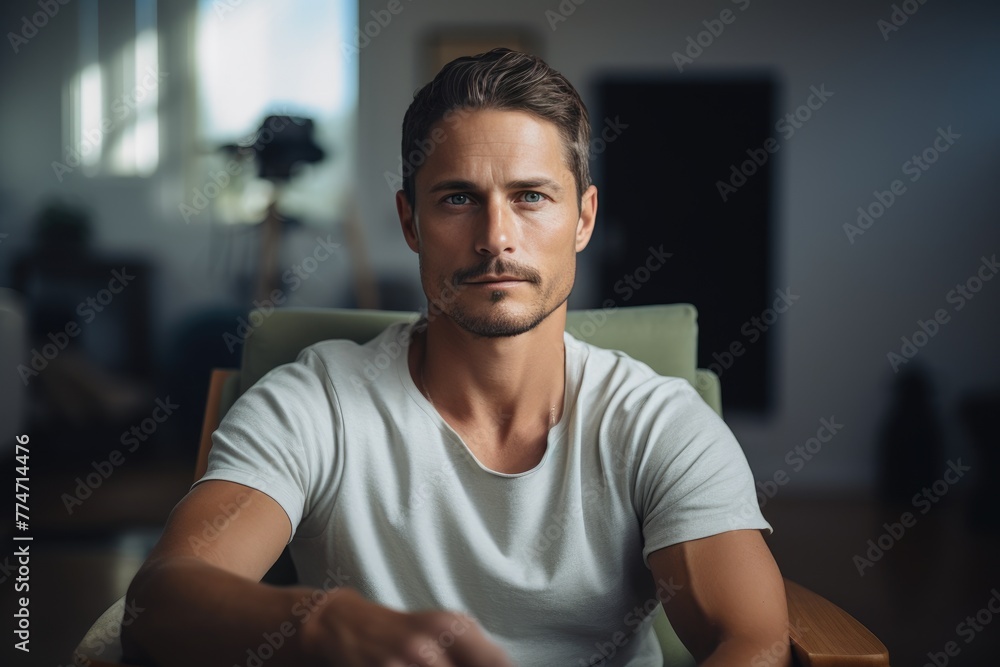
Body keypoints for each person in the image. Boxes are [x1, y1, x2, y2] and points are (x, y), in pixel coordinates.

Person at [122, 48, 789, 666]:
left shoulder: (656, 422)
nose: (496, 238)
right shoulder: (317, 400)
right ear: (411, 222)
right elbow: (160, 600)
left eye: (531, 196)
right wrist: (321, 621)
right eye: (459, 198)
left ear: (583, 218)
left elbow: (752, 638)